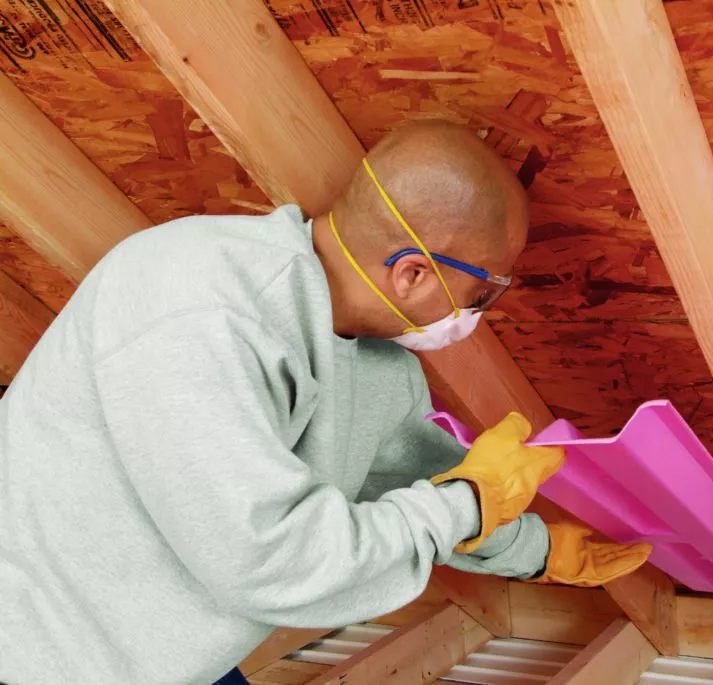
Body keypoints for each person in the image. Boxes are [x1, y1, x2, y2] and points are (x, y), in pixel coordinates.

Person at [0, 121, 651, 685]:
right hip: (46, 655)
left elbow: (414, 483)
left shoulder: (377, 361)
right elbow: (273, 561)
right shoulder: (201, 313)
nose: (482, 314)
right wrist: (469, 503)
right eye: (484, 293)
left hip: (169, 649)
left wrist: (534, 547)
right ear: (413, 272)